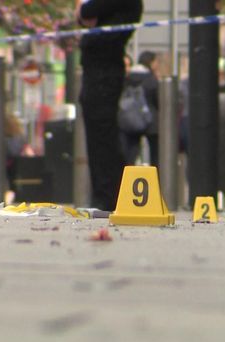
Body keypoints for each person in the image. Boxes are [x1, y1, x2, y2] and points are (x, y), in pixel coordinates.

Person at [76, 0, 143, 211]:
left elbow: (87, 10)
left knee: (103, 136)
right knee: (99, 136)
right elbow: (82, 16)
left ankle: (108, 196)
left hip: (104, 71)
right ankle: (108, 194)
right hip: (97, 68)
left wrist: (83, 10)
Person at [120, 50, 159, 166]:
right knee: (155, 154)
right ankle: (156, 178)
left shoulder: (127, 78)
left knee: (130, 154)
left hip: (129, 120)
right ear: (151, 63)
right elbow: (158, 100)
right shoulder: (151, 80)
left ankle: (127, 179)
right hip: (150, 121)